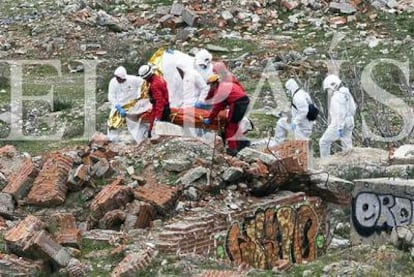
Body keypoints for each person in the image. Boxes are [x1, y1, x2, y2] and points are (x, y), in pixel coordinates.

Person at [203, 74, 250, 156]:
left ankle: (232, 150)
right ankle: (241, 144)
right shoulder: (226, 84)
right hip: (244, 101)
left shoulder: (220, 90)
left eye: (211, 84)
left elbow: (217, 107)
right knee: (234, 125)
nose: (211, 86)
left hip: (237, 104)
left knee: (230, 127)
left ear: (215, 83)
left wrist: (210, 119)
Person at [319, 74, 357, 158]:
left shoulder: (336, 97)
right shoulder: (347, 93)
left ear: (333, 85)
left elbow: (340, 113)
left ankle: (325, 162)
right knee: (347, 144)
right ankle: (349, 162)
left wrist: (340, 127)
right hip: (350, 120)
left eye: (328, 89)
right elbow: (353, 108)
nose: (328, 91)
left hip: (339, 123)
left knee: (323, 142)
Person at [107, 66, 143, 142]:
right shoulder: (113, 82)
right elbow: (111, 96)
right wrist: (118, 107)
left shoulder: (133, 79)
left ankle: (137, 140)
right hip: (118, 105)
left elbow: (143, 83)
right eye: (117, 78)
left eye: (120, 78)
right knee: (113, 123)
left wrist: (139, 95)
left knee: (134, 123)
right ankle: (112, 140)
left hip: (131, 105)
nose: (118, 80)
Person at [137, 64, 170, 138]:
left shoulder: (154, 85)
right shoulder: (159, 78)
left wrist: (157, 117)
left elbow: (159, 102)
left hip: (161, 110)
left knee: (155, 133)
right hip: (165, 107)